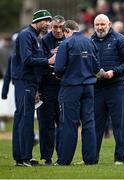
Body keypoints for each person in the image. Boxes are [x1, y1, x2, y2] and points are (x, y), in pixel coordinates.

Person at [11, 9, 55, 167]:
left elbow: (34, 58)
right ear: (38, 20)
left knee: (23, 119)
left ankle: (21, 158)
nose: (48, 24)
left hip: (29, 83)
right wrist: (48, 61)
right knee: (25, 119)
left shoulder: (35, 37)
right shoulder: (26, 35)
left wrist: (48, 57)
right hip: (24, 82)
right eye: (46, 21)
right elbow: (27, 59)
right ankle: (24, 158)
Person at [54, 20, 100, 165]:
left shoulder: (66, 44)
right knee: (89, 123)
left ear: (67, 30)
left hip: (71, 87)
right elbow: (96, 66)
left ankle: (64, 160)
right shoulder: (90, 42)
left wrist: (61, 75)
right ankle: (91, 159)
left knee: (69, 123)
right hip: (89, 87)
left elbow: (59, 68)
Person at [91, 14, 124, 165]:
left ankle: (120, 159)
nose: (100, 27)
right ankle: (92, 159)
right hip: (97, 88)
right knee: (95, 125)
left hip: (116, 87)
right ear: (93, 25)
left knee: (119, 125)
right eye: (97, 24)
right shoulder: (89, 41)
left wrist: (114, 71)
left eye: (103, 24)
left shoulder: (120, 39)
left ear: (109, 24)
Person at [37, 15, 65, 166]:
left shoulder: (68, 40)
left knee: (62, 122)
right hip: (47, 86)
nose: (58, 30)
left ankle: (62, 156)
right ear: (51, 27)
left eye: (61, 27)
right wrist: (51, 56)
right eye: (55, 27)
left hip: (63, 86)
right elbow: (39, 63)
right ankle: (46, 157)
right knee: (46, 123)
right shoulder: (44, 41)